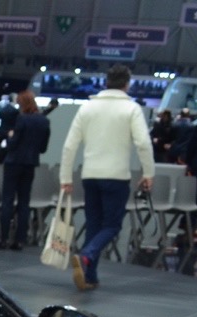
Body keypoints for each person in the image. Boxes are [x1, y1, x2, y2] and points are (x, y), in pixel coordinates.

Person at [58, 64, 154, 291]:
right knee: (112, 225)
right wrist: (148, 173)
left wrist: (66, 177)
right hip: (116, 176)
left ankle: (89, 276)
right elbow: (143, 143)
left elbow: (70, 145)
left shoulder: (87, 108)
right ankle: (87, 255)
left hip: (90, 175)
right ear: (127, 84)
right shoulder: (131, 109)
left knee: (93, 224)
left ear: (106, 82)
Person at [0, 89, 50, 250]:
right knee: (24, 202)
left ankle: (4, 238)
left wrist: (10, 136)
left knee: (7, 200)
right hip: (30, 163)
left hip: (13, 163)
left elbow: (13, 144)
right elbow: (43, 148)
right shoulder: (44, 121)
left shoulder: (22, 119)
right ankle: (20, 239)